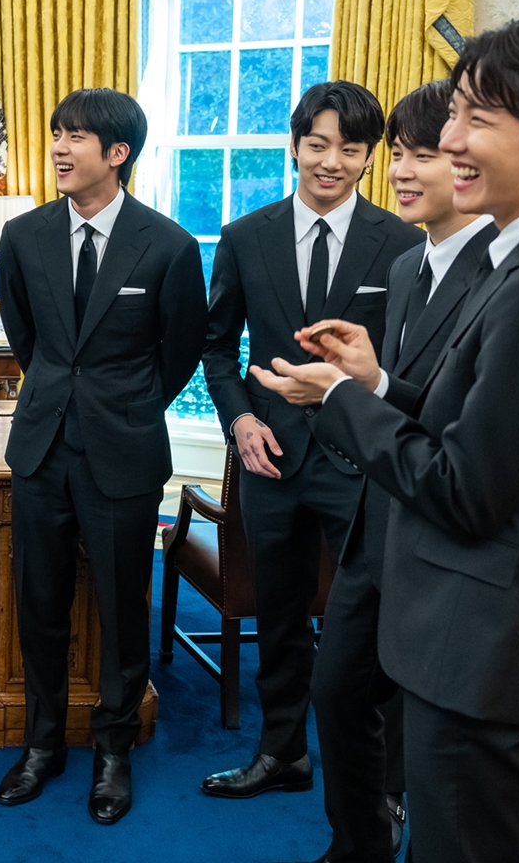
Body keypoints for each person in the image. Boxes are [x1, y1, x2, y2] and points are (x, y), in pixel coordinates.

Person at [253, 16, 519, 863]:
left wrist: (343, 397)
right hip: (493, 629)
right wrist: (381, 384)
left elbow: (462, 485)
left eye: (475, 119)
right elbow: (486, 425)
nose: (448, 142)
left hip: (481, 644)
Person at [201, 82, 424, 799]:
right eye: (318, 145)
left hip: (364, 463)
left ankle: (385, 786)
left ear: (369, 157)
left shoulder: (403, 243)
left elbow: (408, 363)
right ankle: (282, 753)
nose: (331, 162)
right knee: (280, 615)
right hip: (270, 458)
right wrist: (240, 420)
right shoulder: (243, 236)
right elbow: (217, 348)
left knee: (379, 624)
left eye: (351, 149)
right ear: (295, 146)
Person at [0, 89, 206, 824]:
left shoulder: (171, 245)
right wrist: (62, 390)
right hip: (42, 446)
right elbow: (28, 340)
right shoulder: (22, 236)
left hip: (124, 450)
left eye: (75, 136)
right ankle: (42, 744)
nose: (57, 147)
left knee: (121, 607)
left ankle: (114, 749)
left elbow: (178, 353)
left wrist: (125, 403)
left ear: (117, 154)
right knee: (40, 604)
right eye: (55, 132)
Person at [299, 80, 495, 863]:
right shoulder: (412, 264)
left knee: (428, 736)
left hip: (444, 538)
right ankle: (357, 846)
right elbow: (420, 400)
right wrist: (370, 380)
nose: (405, 173)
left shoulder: (501, 274)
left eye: (427, 156)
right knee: (336, 694)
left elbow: (464, 436)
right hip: (377, 528)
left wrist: (351, 394)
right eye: (403, 156)